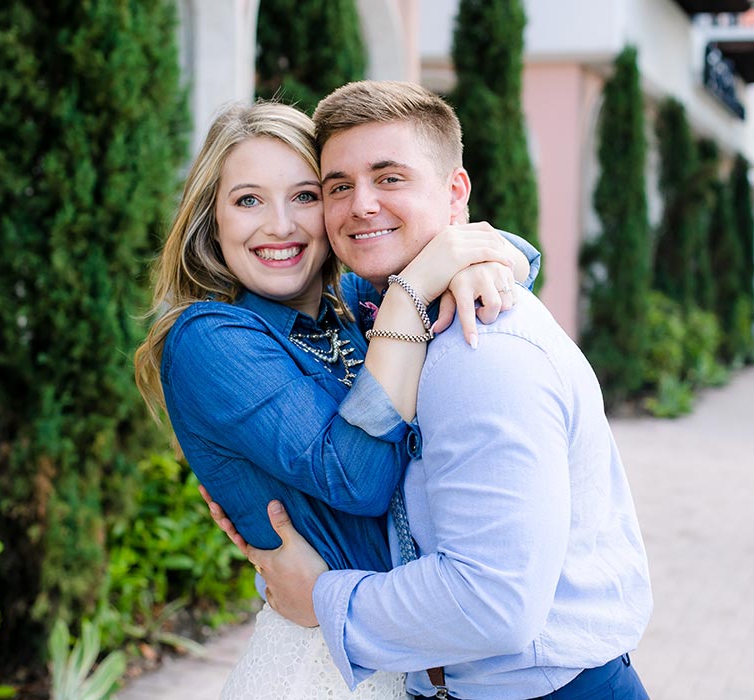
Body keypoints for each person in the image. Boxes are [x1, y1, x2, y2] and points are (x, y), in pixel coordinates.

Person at [206, 80, 653, 700]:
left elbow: (493, 603)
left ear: (454, 193)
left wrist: (321, 598)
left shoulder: (477, 352)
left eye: (390, 178)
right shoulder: (385, 311)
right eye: (338, 186)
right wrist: (468, 265)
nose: (361, 205)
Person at [133, 100, 538, 699]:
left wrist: (480, 265)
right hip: (318, 669)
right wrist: (406, 300)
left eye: (304, 196)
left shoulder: (345, 305)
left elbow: (514, 253)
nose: (281, 226)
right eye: (248, 200)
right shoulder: (209, 339)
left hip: (397, 652)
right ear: (209, 220)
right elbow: (361, 479)